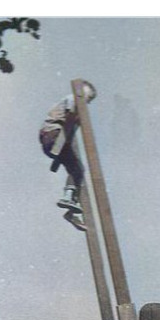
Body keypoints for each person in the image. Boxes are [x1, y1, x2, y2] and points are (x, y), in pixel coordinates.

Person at [39, 81, 97, 232]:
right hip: (53, 134)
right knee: (77, 169)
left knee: (77, 170)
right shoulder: (73, 98)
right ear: (82, 93)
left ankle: (71, 211)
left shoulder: (73, 104)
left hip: (52, 138)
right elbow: (72, 113)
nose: (86, 104)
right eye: (87, 99)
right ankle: (68, 196)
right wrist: (79, 119)